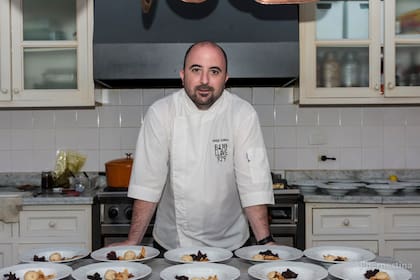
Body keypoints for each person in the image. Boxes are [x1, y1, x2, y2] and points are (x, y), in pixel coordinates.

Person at [113, 41, 275, 251]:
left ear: (226, 78)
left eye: (214, 71)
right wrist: (133, 242)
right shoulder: (161, 113)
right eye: (196, 70)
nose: (204, 80)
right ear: (183, 75)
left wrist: (265, 242)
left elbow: (252, 183)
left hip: (231, 243)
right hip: (174, 244)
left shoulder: (242, 114)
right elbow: (148, 182)